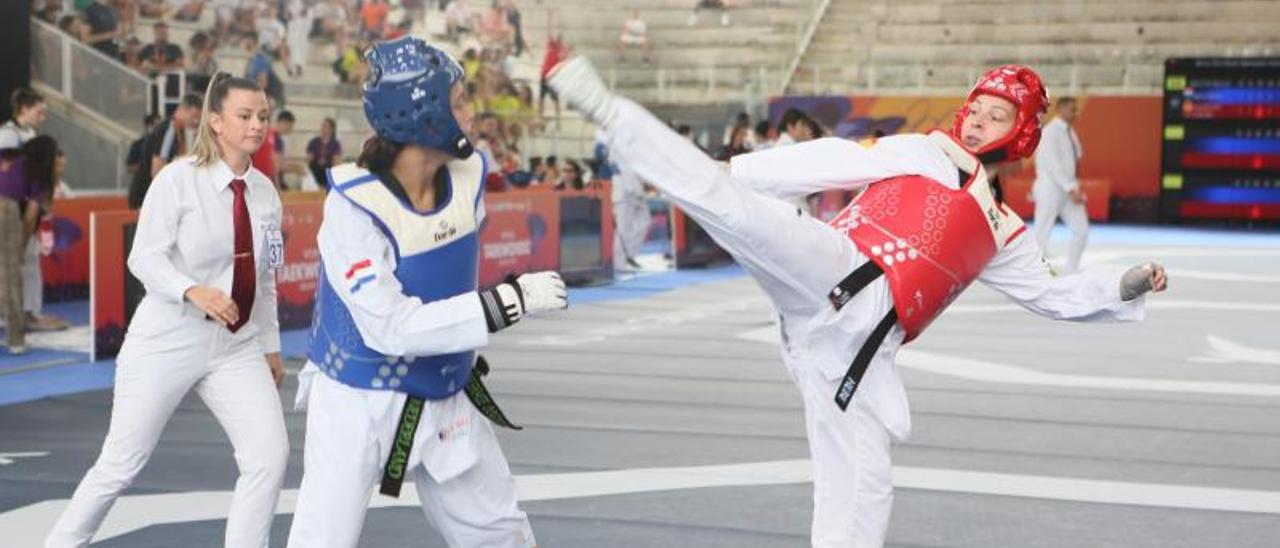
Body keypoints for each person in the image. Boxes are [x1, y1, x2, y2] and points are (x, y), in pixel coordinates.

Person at [549, 58, 1168, 548]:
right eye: (975, 107)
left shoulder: (1005, 230)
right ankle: (611, 113)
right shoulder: (923, 151)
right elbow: (834, 160)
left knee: (864, 483)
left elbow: (1053, 294)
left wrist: (1124, 285)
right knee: (731, 204)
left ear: (1022, 133)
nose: (977, 120)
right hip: (833, 273)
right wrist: (738, 169)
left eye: (996, 115)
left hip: (861, 354)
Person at [286, 37, 566, 548]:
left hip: (445, 388)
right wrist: (508, 302)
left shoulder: (468, 177)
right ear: (425, 114)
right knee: (321, 540)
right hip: (358, 399)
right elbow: (390, 327)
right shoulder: (355, 208)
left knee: (500, 533)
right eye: (459, 101)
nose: (471, 111)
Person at [46, 73, 287, 547]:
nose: (256, 125)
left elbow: (267, 278)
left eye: (262, 116)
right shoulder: (178, 179)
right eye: (245, 116)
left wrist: (271, 343)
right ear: (215, 121)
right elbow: (144, 257)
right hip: (167, 337)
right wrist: (191, 289)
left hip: (236, 345)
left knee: (269, 457)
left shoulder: (266, 194)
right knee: (120, 464)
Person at [0, 136, 60, 354]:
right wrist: (21, 246)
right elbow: (29, 218)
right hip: (5, 210)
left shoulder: (8, 155)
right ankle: (15, 340)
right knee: (10, 277)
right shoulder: (38, 174)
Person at [1033, 96, 1089, 273]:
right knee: (1041, 233)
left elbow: (1076, 159)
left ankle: (1071, 272)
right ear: (1061, 109)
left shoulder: (1070, 132)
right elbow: (1053, 165)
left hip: (1068, 189)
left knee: (1081, 230)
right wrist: (1071, 187)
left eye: (1076, 109)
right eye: (1072, 109)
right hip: (1050, 188)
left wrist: (1075, 187)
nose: (1075, 113)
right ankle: (1029, 274)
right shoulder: (1049, 132)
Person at [127, 93, 203, 209]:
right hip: (145, 198)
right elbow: (157, 170)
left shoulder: (177, 131)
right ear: (187, 110)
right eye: (195, 117)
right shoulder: (169, 130)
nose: (196, 122)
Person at [306, 117, 342, 189]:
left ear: (332, 129)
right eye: (323, 126)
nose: (323, 129)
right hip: (315, 168)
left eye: (326, 127)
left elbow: (336, 160)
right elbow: (308, 159)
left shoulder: (335, 144)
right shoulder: (314, 142)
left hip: (328, 169)